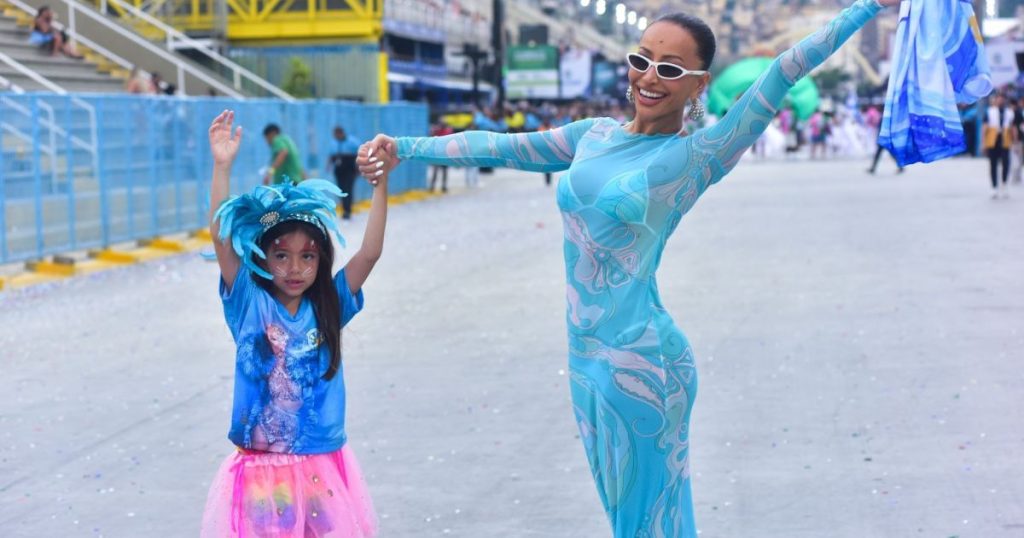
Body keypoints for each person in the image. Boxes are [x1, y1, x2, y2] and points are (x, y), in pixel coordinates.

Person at [359, 1, 898, 536]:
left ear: (699, 85)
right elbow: (501, 147)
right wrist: (405, 147)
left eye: (670, 69)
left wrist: (869, 6)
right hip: (587, 359)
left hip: (643, 362)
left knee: (646, 526)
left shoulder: (699, 155)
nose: (649, 77)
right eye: (642, 60)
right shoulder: (592, 136)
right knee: (631, 520)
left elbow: (784, 70)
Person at [200, 109, 393, 537]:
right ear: (263, 258)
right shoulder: (249, 302)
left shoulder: (330, 303)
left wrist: (380, 187)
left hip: (320, 461)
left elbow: (370, 253)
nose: (295, 268)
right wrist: (221, 166)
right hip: (261, 467)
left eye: (308, 256)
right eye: (281, 255)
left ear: (321, 260)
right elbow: (220, 239)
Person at [983, 93, 1015, 199]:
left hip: (1005, 139)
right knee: (993, 164)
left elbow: (1012, 127)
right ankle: (994, 187)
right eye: (999, 99)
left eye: (1002, 99)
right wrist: (983, 143)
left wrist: (1014, 141)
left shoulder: (1010, 112)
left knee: (1006, 164)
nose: (1000, 101)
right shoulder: (989, 111)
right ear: (996, 100)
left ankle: (1004, 184)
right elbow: (984, 128)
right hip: (993, 140)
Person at [328, 125, 361, 219]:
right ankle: (344, 208)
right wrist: (329, 166)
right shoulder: (334, 143)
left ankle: (348, 210)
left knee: (348, 189)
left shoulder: (352, 142)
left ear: (341, 133)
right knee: (341, 190)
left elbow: (359, 154)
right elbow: (331, 155)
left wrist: (359, 167)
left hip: (349, 168)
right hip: (339, 169)